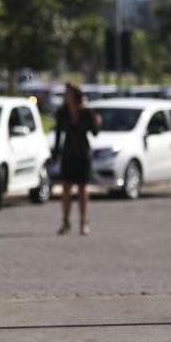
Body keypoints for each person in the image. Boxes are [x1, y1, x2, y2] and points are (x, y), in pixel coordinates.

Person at [53, 83, 100, 236]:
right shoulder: (62, 113)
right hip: (68, 153)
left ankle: (83, 221)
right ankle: (65, 220)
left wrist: (97, 123)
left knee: (82, 188)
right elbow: (58, 135)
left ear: (75, 95)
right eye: (65, 93)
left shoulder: (86, 112)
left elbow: (94, 133)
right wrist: (55, 155)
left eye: (68, 93)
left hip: (82, 153)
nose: (66, 96)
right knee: (66, 187)